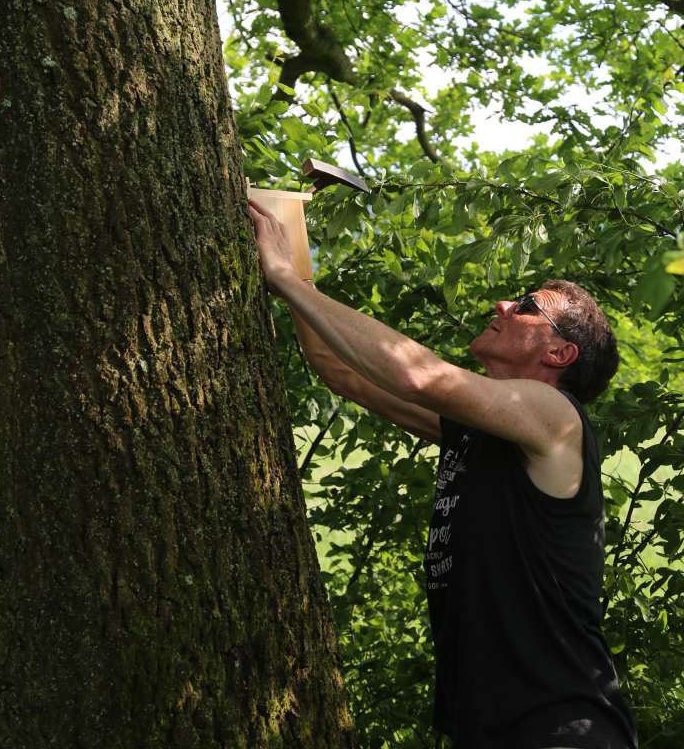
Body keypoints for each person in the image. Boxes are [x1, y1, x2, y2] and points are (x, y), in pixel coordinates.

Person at [248, 199, 639, 749]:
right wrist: (287, 232)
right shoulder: (485, 430)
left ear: (559, 352)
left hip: (561, 729)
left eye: (527, 305)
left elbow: (416, 375)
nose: (503, 303)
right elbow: (341, 371)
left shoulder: (557, 419)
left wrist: (286, 279)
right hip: (490, 729)